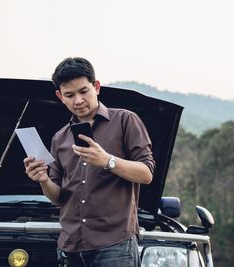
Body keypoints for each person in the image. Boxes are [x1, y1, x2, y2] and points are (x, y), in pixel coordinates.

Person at [23, 57, 155, 267]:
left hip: (115, 245)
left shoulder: (125, 120)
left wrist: (107, 161)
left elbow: (146, 174)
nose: (78, 100)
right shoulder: (60, 138)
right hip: (70, 246)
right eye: (69, 95)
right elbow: (58, 198)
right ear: (60, 97)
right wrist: (43, 180)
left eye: (84, 91)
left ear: (96, 87)